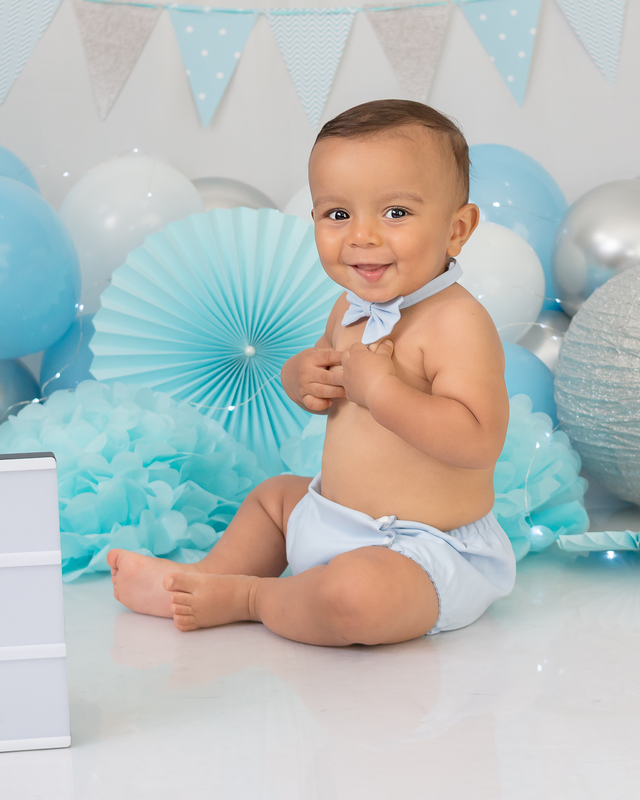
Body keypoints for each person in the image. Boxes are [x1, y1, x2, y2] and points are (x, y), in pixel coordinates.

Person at [107, 99, 515, 646]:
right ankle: (204, 576)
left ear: (457, 230)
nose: (361, 236)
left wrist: (382, 391)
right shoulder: (348, 309)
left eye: (395, 213)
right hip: (333, 517)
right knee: (274, 498)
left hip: (422, 548)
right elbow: (326, 381)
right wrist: (302, 378)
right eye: (338, 214)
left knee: (356, 600)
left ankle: (250, 596)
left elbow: (477, 441)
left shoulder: (457, 323)